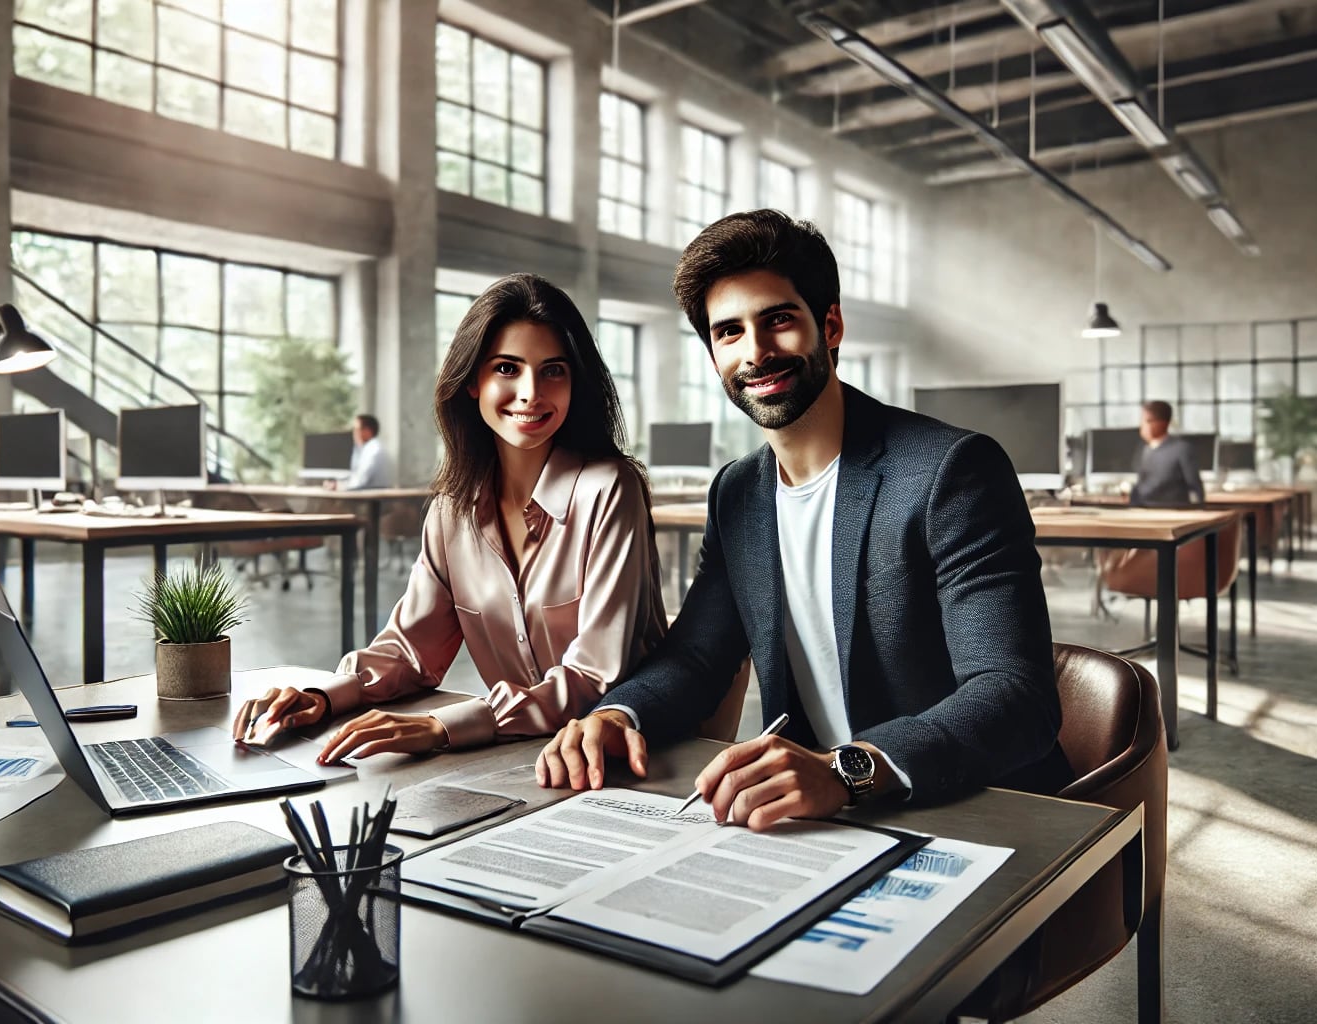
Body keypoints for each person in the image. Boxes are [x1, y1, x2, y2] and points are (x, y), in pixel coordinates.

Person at [536, 210, 1070, 830]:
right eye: (729, 332)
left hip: (978, 810)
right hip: (824, 826)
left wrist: (846, 771)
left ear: (831, 325)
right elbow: (698, 658)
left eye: (779, 320)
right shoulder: (738, 493)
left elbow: (1014, 695)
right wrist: (615, 716)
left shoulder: (951, 470)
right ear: (713, 356)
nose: (756, 352)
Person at [238, 274, 667, 761]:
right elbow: (412, 650)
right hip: (521, 755)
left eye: (553, 371)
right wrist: (322, 696)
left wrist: (442, 725)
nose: (530, 392)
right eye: (507, 368)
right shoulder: (451, 510)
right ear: (471, 382)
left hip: (626, 755)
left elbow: (595, 676)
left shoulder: (610, 489)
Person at [1129, 400, 1203, 506]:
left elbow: (1195, 487)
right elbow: (1140, 486)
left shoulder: (1181, 449)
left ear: (1163, 423)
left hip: (1171, 510)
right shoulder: (1143, 449)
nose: (1142, 426)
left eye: (1147, 421)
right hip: (1142, 509)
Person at [333, 413, 392, 490]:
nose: (354, 433)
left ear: (367, 431)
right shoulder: (367, 448)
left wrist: (338, 486)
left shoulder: (373, 450)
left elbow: (361, 480)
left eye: (356, 429)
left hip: (371, 498)